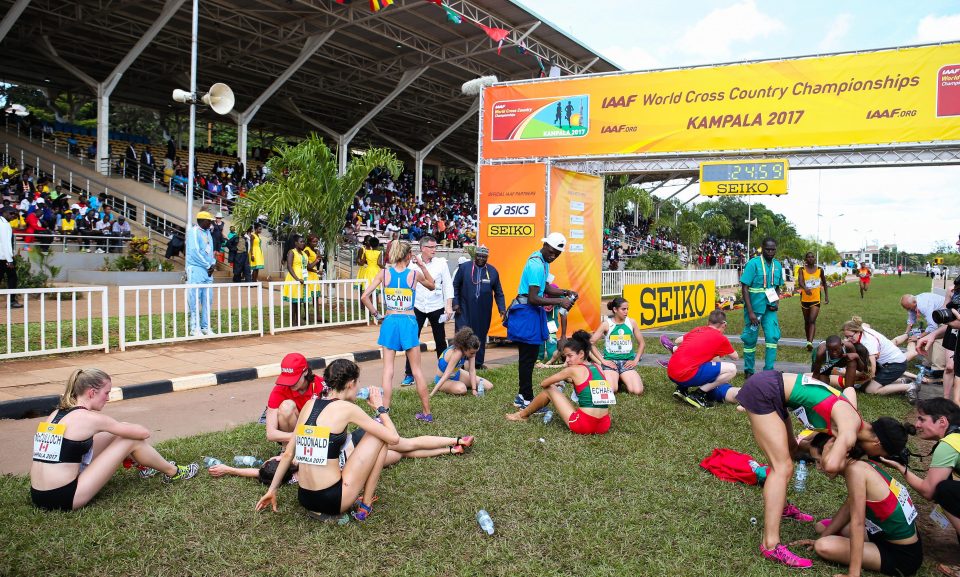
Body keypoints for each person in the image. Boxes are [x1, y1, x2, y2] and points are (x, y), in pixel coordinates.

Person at [736, 369, 913, 568]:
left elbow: (849, 394)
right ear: (878, 443)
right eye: (879, 454)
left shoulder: (853, 419)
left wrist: (832, 445)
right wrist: (838, 448)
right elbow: (830, 466)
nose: (873, 457)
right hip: (765, 390)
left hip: (773, 387)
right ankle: (770, 545)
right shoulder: (850, 427)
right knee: (782, 468)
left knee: (792, 450)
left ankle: (782, 507)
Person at [30, 369, 199, 511]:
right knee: (130, 440)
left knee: (118, 431)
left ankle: (144, 465)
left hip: (38, 494)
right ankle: (174, 472)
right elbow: (143, 433)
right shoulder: (89, 418)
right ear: (91, 392)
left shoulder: (57, 414)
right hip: (63, 498)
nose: (108, 398)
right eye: (106, 393)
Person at [255, 359, 400, 521]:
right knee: (380, 435)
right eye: (357, 382)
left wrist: (272, 490)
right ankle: (365, 505)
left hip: (305, 499)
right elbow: (393, 438)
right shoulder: (348, 409)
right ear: (351, 383)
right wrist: (380, 408)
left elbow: (288, 454)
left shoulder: (310, 404)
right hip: (332, 500)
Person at [796, 432, 922, 577]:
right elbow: (848, 507)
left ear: (838, 453)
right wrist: (823, 536)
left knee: (823, 547)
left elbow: (857, 523)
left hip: (901, 555)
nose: (818, 467)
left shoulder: (855, 471)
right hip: (887, 534)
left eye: (819, 460)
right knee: (821, 528)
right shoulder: (862, 464)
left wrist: (853, 574)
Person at [878, 398, 960, 575]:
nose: (917, 424)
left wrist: (900, 467)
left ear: (942, 421)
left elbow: (928, 491)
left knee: (945, 490)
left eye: (922, 419)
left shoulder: (949, 444)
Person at [360, 240, 436, 422]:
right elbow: (432, 285)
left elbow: (364, 296)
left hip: (391, 320)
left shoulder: (384, 274)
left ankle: (383, 413)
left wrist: (376, 314)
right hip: (409, 321)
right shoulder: (414, 274)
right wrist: (422, 265)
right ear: (409, 256)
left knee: (388, 370)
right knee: (416, 370)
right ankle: (426, 413)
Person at [505, 233, 578, 409]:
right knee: (527, 358)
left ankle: (522, 396)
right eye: (552, 252)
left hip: (529, 312)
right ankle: (526, 399)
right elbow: (533, 298)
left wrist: (564, 292)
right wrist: (561, 301)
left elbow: (544, 288)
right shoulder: (537, 264)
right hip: (527, 311)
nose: (553, 256)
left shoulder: (541, 260)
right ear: (545, 245)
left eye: (557, 254)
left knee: (527, 357)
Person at [505, 330, 613, 435]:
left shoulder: (572, 370)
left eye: (570, 356)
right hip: (604, 425)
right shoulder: (598, 367)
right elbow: (586, 383)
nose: (567, 360)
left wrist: (556, 383)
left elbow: (543, 383)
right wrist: (568, 380)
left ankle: (522, 415)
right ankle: (523, 414)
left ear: (581, 354)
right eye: (565, 357)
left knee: (549, 389)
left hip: (584, 425)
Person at [401, 235, 454, 386]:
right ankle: (409, 374)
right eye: (431, 247)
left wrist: (448, 305)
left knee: (440, 341)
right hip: (417, 306)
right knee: (412, 340)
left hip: (436, 306)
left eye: (435, 247)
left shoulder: (441, 263)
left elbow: (447, 286)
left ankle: (444, 373)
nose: (434, 250)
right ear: (423, 248)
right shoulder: (412, 262)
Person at [666, 310, 740, 408]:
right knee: (732, 369)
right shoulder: (720, 338)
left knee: (696, 358)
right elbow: (735, 357)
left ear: (708, 322)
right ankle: (698, 394)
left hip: (671, 372)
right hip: (686, 375)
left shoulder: (698, 329)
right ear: (724, 324)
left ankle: (682, 389)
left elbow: (678, 340)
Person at [451, 245, 505, 369]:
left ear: (487, 257)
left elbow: (498, 291)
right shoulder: (464, 268)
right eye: (479, 256)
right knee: (463, 334)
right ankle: (459, 362)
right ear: (475, 256)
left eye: (484, 256)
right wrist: (456, 303)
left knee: (480, 334)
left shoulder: (492, 271)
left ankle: (478, 363)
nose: (481, 258)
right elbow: (455, 285)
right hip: (464, 308)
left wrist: (501, 308)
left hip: (483, 310)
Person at [740, 238, 783, 378]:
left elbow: (777, 287)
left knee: (772, 337)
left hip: (770, 309)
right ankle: (748, 370)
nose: (770, 252)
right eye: (767, 249)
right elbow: (745, 288)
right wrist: (750, 312)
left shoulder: (777, 265)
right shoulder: (753, 264)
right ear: (762, 249)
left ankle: (768, 371)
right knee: (750, 339)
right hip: (754, 310)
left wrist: (776, 302)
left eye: (773, 249)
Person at [264, 353, 325, 445]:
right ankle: (287, 450)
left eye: (293, 379)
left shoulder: (322, 385)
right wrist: (302, 436)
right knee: (286, 407)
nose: (290, 384)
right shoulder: (280, 390)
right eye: (287, 379)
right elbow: (270, 434)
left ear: (305, 372)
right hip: (296, 437)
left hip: (318, 435)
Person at [841, 317, 911, 397]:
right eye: (846, 337)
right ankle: (901, 382)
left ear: (857, 332)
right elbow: (866, 324)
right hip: (892, 362)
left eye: (850, 336)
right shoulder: (861, 328)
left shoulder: (868, 343)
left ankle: (909, 387)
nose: (848, 339)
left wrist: (869, 378)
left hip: (896, 365)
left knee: (870, 390)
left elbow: (872, 366)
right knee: (867, 384)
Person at [590, 297, 645, 396]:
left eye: (627, 309)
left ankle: (620, 377)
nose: (626, 311)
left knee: (637, 391)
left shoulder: (631, 322)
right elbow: (591, 343)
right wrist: (603, 361)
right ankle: (614, 377)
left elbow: (642, 343)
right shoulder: (606, 324)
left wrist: (635, 360)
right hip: (611, 363)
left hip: (627, 363)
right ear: (615, 309)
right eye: (623, 309)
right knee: (611, 390)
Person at [429, 327, 493, 396]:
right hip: (443, 378)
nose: (474, 355)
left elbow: (472, 370)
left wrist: (474, 389)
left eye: (475, 352)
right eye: (472, 353)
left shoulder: (470, 351)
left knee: (489, 386)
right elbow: (446, 375)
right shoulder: (457, 353)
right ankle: (447, 386)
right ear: (464, 348)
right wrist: (431, 394)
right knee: (462, 389)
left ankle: (459, 384)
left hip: (457, 374)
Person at [186, 211, 217, 336]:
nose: (211, 223)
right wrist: (208, 265)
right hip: (196, 269)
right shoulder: (193, 231)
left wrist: (213, 263)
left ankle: (205, 326)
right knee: (194, 299)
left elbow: (210, 251)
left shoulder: (208, 232)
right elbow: (194, 251)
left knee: (207, 299)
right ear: (202, 220)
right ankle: (194, 328)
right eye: (209, 221)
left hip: (208, 271)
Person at [797, 251, 828, 351]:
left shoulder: (820, 270)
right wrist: (805, 288)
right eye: (808, 257)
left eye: (812, 257)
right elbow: (800, 281)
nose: (810, 258)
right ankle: (808, 341)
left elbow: (824, 282)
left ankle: (810, 342)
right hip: (804, 299)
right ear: (806, 259)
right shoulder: (802, 270)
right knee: (806, 321)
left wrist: (826, 296)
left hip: (815, 299)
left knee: (812, 320)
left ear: (814, 259)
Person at [282, 234, 311, 327]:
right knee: (295, 301)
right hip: (295, 278)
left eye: (303, 242)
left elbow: (308, 266)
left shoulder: (304, 253)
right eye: (301, 242)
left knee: (300, 300)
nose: (303, 243)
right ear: (296, 243)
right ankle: (293, 321)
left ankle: (298, 320)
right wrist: (297, 278)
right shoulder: (292, 252)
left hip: (304, 278)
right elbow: (289, 266)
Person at [0, 206, 21, 307]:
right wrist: (10, 260)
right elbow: (6, 243)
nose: (13, 216)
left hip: (3, 257)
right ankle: (11, 301)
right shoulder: (4, 225)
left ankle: (12, 301)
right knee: (12, 278)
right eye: (11, 213)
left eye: (15, 215)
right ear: (4, 212)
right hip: (4, 258)